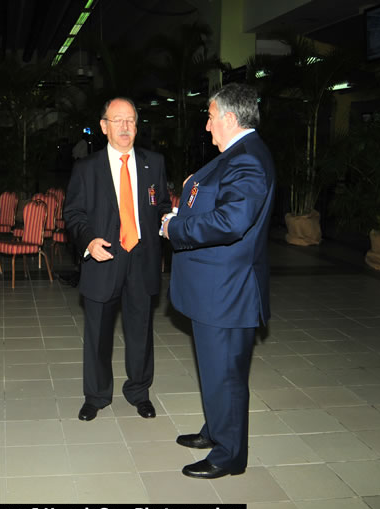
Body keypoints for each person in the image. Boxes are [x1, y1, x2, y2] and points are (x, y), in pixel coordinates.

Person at [162, 83, 275, 479]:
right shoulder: (235, 156)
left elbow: (232, 221)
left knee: (226, 374)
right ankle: (217, 430)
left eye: (210, 118)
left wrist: (177, 227)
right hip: (214, 289)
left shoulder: (247, 160)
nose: (207, 127)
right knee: (214, 369)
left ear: (228, 118)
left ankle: (229, 455)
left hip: (227, 292)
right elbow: (213, 198)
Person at [64, 97, 171, 422]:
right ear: (104, 126)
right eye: (117, 120)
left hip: (142, 259)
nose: (125, 127)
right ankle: (96, 395)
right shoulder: (87, 168)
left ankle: (139, 391)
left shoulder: (154, 162)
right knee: (98, 334)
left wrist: (169, 221)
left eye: (130, 120)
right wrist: (88, 240)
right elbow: (73, 213)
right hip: (103, 259)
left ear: (136, 126)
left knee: (141, 331)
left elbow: (162, 204)